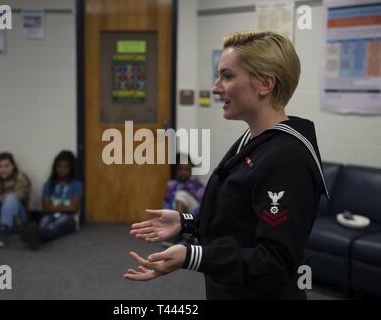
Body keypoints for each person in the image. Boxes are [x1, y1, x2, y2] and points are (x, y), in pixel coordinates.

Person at [124, 31, 329, 300]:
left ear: (265, 84)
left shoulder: (286, 158)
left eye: (228, 76)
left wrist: (193, 255)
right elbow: (237, 219)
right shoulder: (253, 139)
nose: (215, 87)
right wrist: (187, 222)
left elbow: (274, 262)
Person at [21, 150, 82, 250]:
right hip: (49, 215)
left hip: (70, 218)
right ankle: (35, 237)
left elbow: (73, 209)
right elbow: (45, 208)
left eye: (66, 167)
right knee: (43, 224)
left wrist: (54, 207)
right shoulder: (49, 184)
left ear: (71, 168)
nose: (62, 170)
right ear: (55, 168)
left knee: (54, 227)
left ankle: (28, 234)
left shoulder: (76, 184)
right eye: (59, 167)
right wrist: (63, 207)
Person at [161, 153, 204, 247]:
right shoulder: (171, 185)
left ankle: (178, 234)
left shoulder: (197, 185)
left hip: (193, 215)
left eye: (187, 169)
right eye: (180, 169)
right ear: (176, 170)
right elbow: (167, 202)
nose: (183, 172)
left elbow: (203, 206)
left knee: (181, 195)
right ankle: (182, 236)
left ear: (191, 170)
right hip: (177, 215)